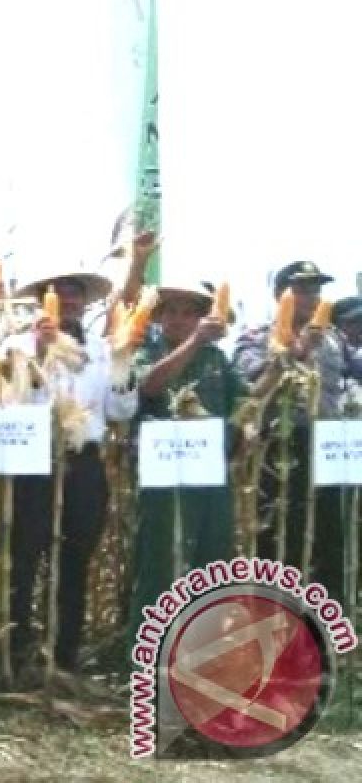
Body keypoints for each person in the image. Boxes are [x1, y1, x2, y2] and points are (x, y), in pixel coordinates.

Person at [1, 268, 137, 679]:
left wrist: (126, 365)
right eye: (57, 292)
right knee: (23, 559)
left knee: (75, 560)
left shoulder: (101, 349)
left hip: (84, 464)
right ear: (43, 299)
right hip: (34, 462)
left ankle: (65, 654)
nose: (68, 299)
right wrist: (41, 354)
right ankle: (17, 652)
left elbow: (121, 411)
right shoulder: (17, 345)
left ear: (85, 302)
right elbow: (12, 401)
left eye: (75, 293)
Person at [128, 283, 243, 641]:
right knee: (160, 562)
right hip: (165, 473)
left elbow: (245, 399)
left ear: (200, 317)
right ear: (159, 317)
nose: (179, 319)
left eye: (189, 313)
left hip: (210, 471)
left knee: (213, 558)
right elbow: (148, 385)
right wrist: (194, 343)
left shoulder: (217, 358)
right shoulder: (145, 349)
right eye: (171, 312)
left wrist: (286, 364)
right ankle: (148, 652)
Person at [232, 260, 346, 601]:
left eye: (315, 289)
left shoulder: (332, 340)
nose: (310, 297)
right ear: (280, 294)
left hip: (325, 445)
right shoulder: (256, 338)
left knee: (328, 529)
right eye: (301, 289)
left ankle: (330, 612)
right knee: (280, 530)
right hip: (278, 446)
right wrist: (297, 350)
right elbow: (250, 385)